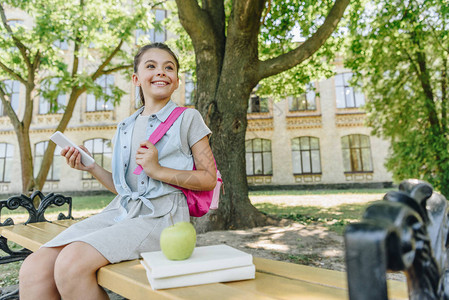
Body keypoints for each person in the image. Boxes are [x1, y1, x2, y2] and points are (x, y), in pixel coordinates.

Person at [19, 43, 217, 300]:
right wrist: (90, 167)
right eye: (151, 66)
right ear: (136, 79)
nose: (161, 72)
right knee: (35, 267)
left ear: (177, 81)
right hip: (120, 212)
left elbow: (208, 179)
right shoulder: (126, 125)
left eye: (169, 67)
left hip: (162, 218)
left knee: (71, 264)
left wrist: (157, 170)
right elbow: (126, 189)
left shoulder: (189, 119)